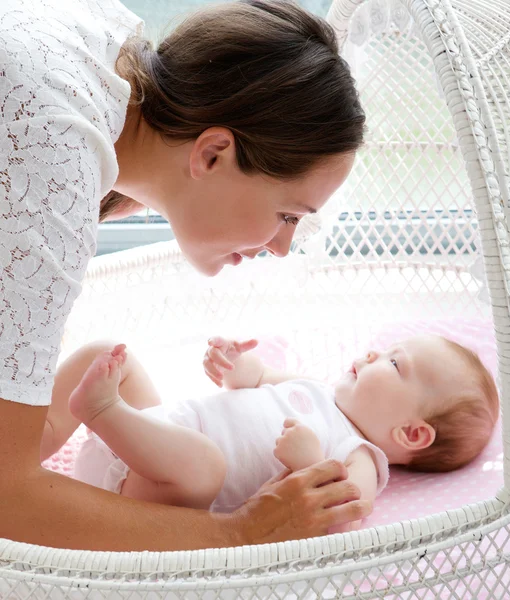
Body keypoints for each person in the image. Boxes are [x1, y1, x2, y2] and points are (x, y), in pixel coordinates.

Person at [0, 0, 371, 550]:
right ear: (214, 153)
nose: (283, 247)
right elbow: (8, 498)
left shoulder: (98, 44)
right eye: (288, 215)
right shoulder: (54, 173)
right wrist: (241, 531)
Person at [47, 333, 499, 532]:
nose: (373, 353)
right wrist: (229, 361)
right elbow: (252, 377)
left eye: (395, 363)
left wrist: (308, 464)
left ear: (412, 434)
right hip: (146, 432)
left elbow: (344, 517)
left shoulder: (357, 455)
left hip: (152, 492)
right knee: (108, 353)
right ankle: (31, 440)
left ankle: (103, 408)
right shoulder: (317, 389)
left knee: (206, 466)